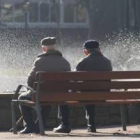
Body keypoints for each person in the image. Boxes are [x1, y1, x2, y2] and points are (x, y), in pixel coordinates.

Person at [53, 40, 112, 133]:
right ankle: (91, 124)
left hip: (86, 95)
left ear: (85, 51)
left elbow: (74, 79)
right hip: (104, 95)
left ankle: (65, 125)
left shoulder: (84, 61)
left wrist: (72, 92)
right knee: (90, 93)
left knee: (65, 96)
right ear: (99, 49)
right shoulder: (107, 61)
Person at [18, 37, 71, 134]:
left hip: (42, 94)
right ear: (55, 47)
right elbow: (68, 80)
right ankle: (38, 126)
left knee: (22, 97)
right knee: (46, 99)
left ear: (43, 49)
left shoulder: (39, 61)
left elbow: (30, 80)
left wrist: (31, 89)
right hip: (60, 95)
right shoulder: (64, 61)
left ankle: (30, 126)